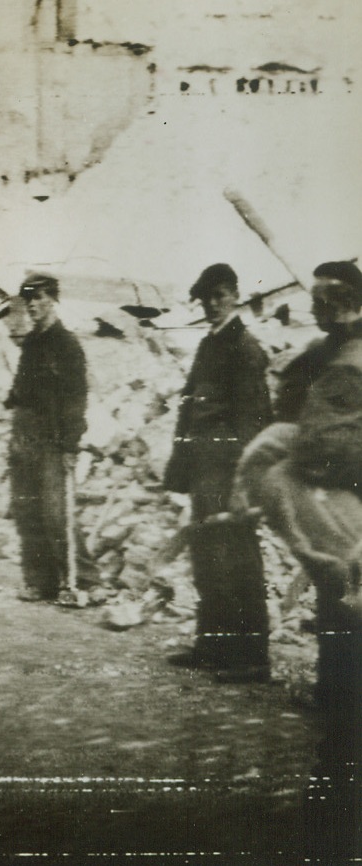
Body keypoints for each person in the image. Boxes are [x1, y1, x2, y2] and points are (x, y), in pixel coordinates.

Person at [235, 261, 362, 861]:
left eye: (332, 300)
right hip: (345, 539)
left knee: (348, 682)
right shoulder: (332, 355)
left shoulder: (348, 367)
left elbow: (321, 447)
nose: (319, 309)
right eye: (317, 299)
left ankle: (336, 818)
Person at [162, 263, 273, 682]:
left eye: (219, 295)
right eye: (206, 297)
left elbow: (252, 422)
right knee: (208, 561)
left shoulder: (244, 347)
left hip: (230, 474)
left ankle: (250, 657)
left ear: (235, 295)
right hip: (204, 470)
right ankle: (212, 647)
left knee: (238, 561)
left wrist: (244, 482)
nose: (212, 304)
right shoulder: (211, 344)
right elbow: (190, 409)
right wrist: (181, 467)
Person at [6, 273, 96, 604]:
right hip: (24, 437)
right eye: (28, 299)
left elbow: (77, 398)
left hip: (53, 439)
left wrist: (71, 444)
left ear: (53, 299)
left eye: (39, 297)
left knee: (57, 514)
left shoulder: (67, 344)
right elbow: (21, 389)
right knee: (27, 511)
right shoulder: (31, 344)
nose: (32, 305)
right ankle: (40, 581)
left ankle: (82, 582)